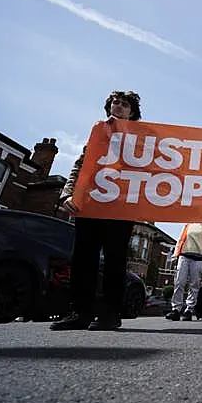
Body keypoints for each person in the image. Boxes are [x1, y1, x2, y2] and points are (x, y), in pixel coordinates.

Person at [50, 91, 142, 331]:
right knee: (83, 258)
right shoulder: (97, 132)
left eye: (125, 104)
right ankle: (80, 312)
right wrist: (68, 194)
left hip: (120, 208)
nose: (118, 106)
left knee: (115, 261)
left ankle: (110, 314)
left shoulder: (142, 138)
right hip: (90, 203)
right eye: (115, 102)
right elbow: (81, 165)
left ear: (132, 112)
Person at [166, 223, 202, 321]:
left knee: (194, 285)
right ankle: (176, 309)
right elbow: (181, 239)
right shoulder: (188, 224)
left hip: (198, 258)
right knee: (179, 282)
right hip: (184, 256)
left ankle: (189, 310)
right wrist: (175, 255)